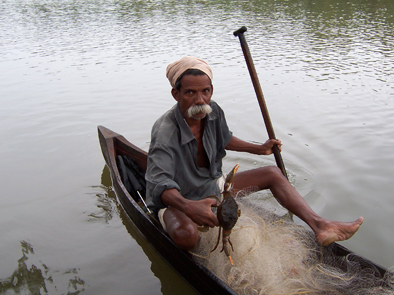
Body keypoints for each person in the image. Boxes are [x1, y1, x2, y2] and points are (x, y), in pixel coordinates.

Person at [145, 56, 363, 251]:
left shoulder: (214, 111)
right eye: (190, 93)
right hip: (180, 199)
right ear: (176, 94)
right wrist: (187, 207)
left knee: (272, 173)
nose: (200, 100)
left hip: (213, 187)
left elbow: (225, 138)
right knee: (186, 236)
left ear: (211, 90)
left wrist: (258, 149)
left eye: (205, 91)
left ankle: (320, 225)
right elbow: (159, 182)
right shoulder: (165, 130)